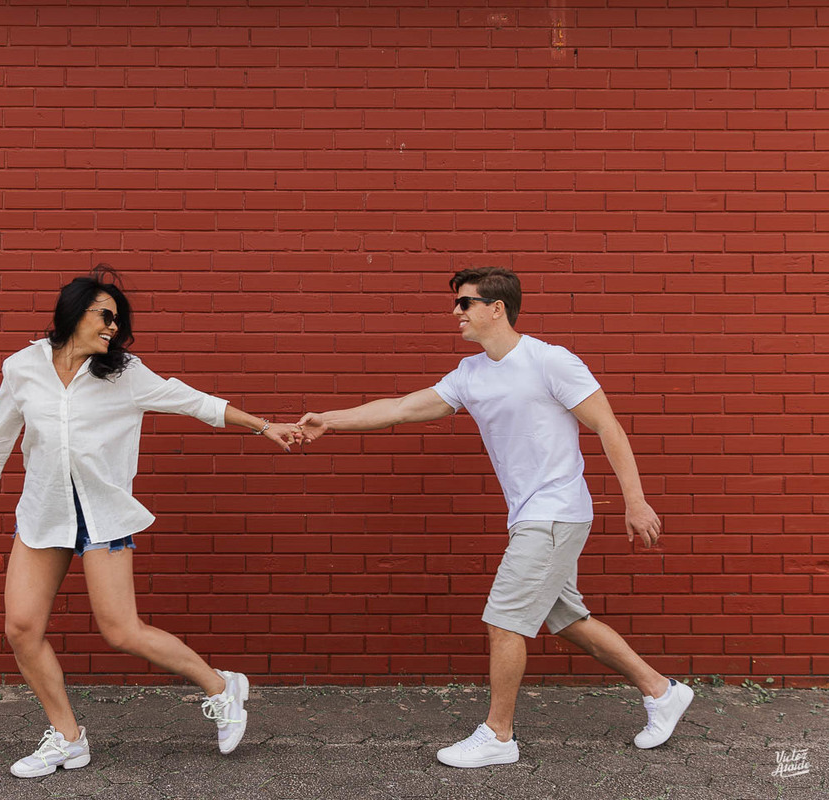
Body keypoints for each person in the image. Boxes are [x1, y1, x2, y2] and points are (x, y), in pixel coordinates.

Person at [293, 267, 692, 768]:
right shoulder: (471, 374)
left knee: (504, 620)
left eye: (464, 303)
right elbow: (400, 408)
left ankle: (498, 736)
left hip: (554, 511)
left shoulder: (550, 361)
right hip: (530, 516)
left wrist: (635, 500)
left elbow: (606, 425)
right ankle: (661, 691)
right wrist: (329, 420)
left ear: (495, 308)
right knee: (564, 616)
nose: (454, 312)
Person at [0, 266, 294, 778]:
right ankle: (67, 737)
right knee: (22, 629)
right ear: (73, 312)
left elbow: (194, 402)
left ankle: (223, 687)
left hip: (101, 516)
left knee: (121, 631)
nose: (113, 326)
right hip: (44, 513)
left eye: (119, 320)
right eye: (104, 315)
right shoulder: (22, 367)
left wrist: (264, 425)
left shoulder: (125, 374)